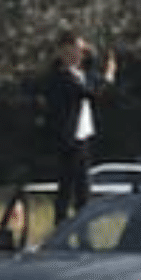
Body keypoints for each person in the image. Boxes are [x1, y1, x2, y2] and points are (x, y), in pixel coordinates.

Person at [44, 30, 116, 225]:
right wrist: (108, 77)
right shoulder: (61, 76)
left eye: (80, 50)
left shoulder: (83, 74)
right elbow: (88, 93)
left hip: (83, 137)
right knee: (66, 188)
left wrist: (96, 55)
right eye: (74, 49)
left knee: (83, 190)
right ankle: (60, 226)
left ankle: (82, 228)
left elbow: (93, 78)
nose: (78, 54)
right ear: (63, 51)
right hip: (68, 139)